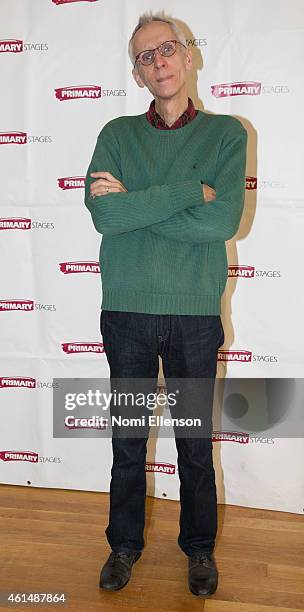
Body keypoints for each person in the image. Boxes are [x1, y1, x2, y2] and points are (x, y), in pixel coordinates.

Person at [84, 12, 247, 598]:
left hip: (194, 315)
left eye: (166, 49)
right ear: (137, 73)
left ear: (189, 55)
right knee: (128, 439)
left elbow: (221, 222)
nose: (159, 63)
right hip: (126, 310)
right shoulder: (116, 135)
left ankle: (198, 550)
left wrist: (139, 207)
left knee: (194, 442)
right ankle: (123, 546)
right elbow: (106, 215)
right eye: (146, 57)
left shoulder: (227, 134)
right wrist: (185, 194)